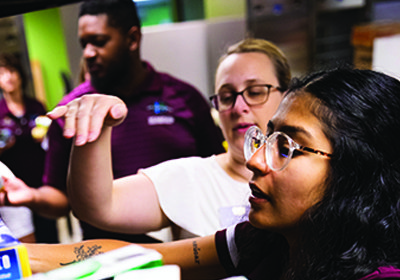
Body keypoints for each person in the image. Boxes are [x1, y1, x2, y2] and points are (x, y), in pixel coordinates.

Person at [25, 68, 400, 280]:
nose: (255, 160)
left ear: (356, 173)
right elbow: (142, 256)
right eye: (267, 139)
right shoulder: (269, 240)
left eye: (286, 147)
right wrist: (19, 257)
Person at [0, 0, 225, 243]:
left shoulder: (184, 98)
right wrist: (31, 196)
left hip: (186, 254)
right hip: (109, 260)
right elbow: (61, 199)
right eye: (83, 43)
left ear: (132, 39)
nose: (88, 53)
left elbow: (216, 173)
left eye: (99, 41)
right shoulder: (72, 111)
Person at [46, 38, 291, 241]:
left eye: (256, 92)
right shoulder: (193, 176)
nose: (239, 107)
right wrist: (97, 128)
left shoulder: (309, 174)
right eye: (226, 97)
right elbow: (98, 207)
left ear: (287, 97)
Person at [0, 53, 58, 243]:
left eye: (12, 71)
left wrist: (44, 137)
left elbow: (51, 141)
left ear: (20, 75)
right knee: (24, 244)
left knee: (49, 238)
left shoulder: (36, 105)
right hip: (12, 189)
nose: (9, 77)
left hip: (40, 182)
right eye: (2, 73)